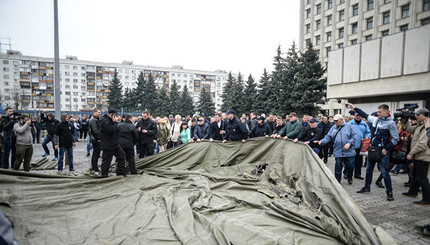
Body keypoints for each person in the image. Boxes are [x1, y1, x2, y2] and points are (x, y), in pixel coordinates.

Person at [348, 103, 399, 201]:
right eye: (378, 111)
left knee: (384, 172)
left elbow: (395, 139)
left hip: (383, 151)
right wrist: (355, 108)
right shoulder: (376, 120)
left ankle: (389, 192)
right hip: (373, 149)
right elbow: (365, 115)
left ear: (386, 112)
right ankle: (367, 187)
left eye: (380, 112)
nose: (378, 113)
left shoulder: (391, 123)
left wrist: (386, 149)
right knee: (368, 170)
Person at [315, 114, 356, 184]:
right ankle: (337, 181)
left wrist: (349, 143)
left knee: (350, 166)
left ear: (341, 120)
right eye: (334, 121)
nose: (335, 122)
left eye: (337, 121)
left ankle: (349, 176)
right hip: (338, 151)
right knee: (338, 167)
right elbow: (328, 137)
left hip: (349, 151)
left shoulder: (349, 126)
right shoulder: (333, 128)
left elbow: (354, 137)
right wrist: (321, 141)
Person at [402, 108, 430, 206]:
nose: (416, 116)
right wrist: (405, 120)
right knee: (416, 175)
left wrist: (411, 153)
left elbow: (422, 144)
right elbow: (409, 129)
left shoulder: (427, 127)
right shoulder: (419, 125)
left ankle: (427, 199)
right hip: (419, 156)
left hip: (424, 156)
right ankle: (413, 192)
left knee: (422, 178)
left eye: (418, 114)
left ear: (424, 115)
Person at [99, 108, 126, 178]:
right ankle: (104, 175)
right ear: (112, 115)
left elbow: (116, 130)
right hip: (107, 145)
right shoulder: (103, 121)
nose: (116, 117)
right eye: (115, 115)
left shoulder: (110, 120)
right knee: (106, 161)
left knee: (122, 156)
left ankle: (120, 171)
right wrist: (114, 122)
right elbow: (110, 130)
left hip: (114, 144)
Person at [347, 112, 371, 179]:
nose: (358, 116)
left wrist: (367, 137)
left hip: (361, 146)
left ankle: (357, 174)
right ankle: (347, 173)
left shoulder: (364, 123)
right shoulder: (349, 123)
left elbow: (368, 132)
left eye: (359, 115)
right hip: (352, 145)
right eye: (357, 115)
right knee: (350, 161)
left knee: (359, 161)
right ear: (354, 115)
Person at [89, 108, 102, 173]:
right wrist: (98, 138)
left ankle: (95, 166)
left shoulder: (95, 119)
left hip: (95, 139)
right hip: (95, 139)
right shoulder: (94, 120)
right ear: (94, 112)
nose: (100, 113)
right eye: (98, 112)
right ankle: (94, 167)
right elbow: (95, 130)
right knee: (96, 154)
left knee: (96, 154)